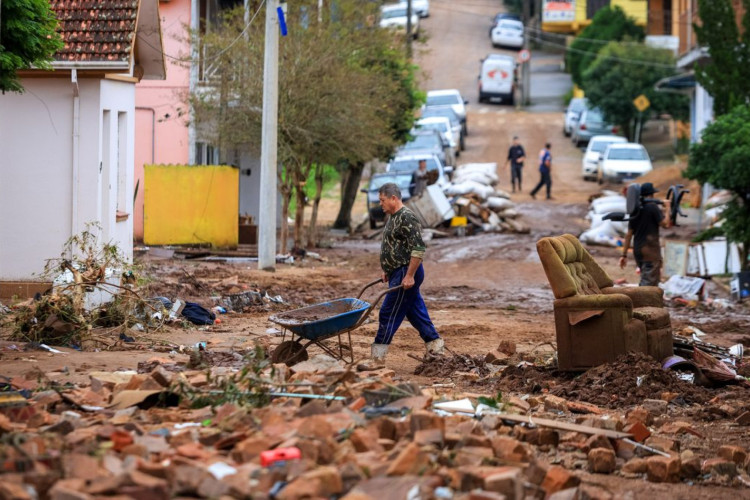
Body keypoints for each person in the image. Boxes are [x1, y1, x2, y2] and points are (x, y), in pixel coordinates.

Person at [358, 182, 444, 371]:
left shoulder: (407, 217)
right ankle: (436, 348)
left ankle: (377, 359)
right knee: (415, 312)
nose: (380, 204)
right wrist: (387, 269)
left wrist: (410, 275)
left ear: (393, 198)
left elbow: (418, 248)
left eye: (382, 200)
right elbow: (394, 246)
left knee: (388, 313)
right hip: (398, 271)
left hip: (406, 271)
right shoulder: (393, 217)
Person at [619, 182, 670, 286]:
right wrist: (668, 208)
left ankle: (649, 300)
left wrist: (624, 255)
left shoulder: (635, 210)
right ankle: (641, 301)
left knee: (647, 278)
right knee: (648, 284)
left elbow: (628, 235)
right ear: (652, 194)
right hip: (650, 251)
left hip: (638, 250)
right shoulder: (653, 207)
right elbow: (665, 224)